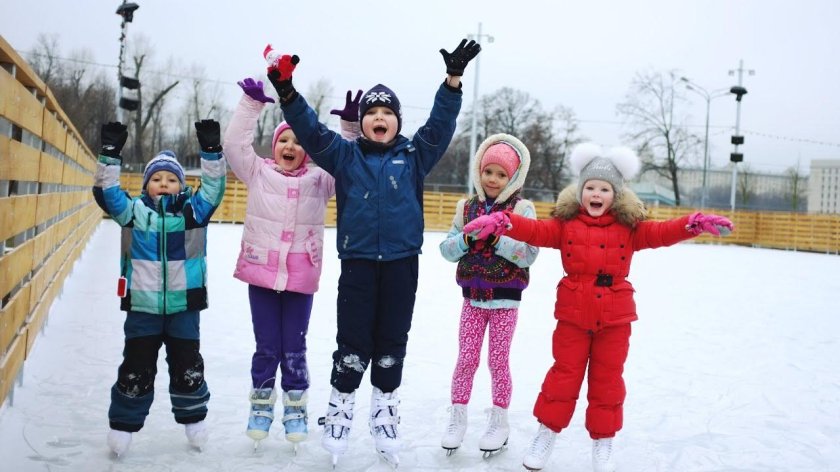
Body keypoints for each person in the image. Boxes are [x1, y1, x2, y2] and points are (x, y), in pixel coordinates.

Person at [264, 39, 481, 466]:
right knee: (353, 341)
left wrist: (452, 82)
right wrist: (287, 93)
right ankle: (341, 409)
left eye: (387, 113)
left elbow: (440, 125)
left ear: (397, 123)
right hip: (359, 264)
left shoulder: (414, 155)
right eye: (372, 114)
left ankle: (384, 411)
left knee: (391, 343)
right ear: (362, 123)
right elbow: (309, 129)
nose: (379, 118)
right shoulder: (344, 156)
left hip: (402, 265)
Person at [462, 143, 734, 472]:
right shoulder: (565, 224)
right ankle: (546, 434)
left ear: (615, 195)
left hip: (615, 318)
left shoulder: (630, 228)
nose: (596, 193)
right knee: (563, 377)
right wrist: (504, 222)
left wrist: (693, 224)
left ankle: (602, 442)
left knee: (607, 381)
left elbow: (662, 232)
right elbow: (536, 230)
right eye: (590, 187)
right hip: (573, 315)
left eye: (604, 189)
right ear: (580, 192)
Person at [222, 78, 362, 449]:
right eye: (284, 139)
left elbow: (347, 166)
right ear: (274, 146)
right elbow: (234, 145)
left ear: (308, 150)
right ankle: (261, 405)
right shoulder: (258, 172)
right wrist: (251, 105)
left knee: (294, 348)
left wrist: (349, 130)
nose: (290, 145)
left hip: (300, 276)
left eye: (299, 141)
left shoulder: (320, 180)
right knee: (267, 345)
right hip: (262, 272)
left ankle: (296, 407)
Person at [92, 120, 227, 457]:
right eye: (156, 179)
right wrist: (110, 155)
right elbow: (108, 194)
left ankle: (193, 419)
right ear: (146, 186)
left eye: (171, 179)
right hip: (142, 308)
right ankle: (123, 425)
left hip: (185, 307)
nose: (163, 184)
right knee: (136, 368)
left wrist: (211, 151)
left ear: (181, 185)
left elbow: (213, 188)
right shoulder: (134, 214)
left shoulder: (192, 213)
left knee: (188, 366)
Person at [438, 133, 539, 457]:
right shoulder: (465, 207)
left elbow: (529, 254)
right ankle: (457, 416)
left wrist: (497, 240)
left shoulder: (522, 209)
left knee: (498, 361)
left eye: (501, 174)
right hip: (472, 299)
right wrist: (467, 240)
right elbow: (446, 249)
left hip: (505, 301)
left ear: (513, 178)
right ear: (479, 171)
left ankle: (499, 420)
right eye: (488, 171)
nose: (493, 179)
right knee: (466, 359)